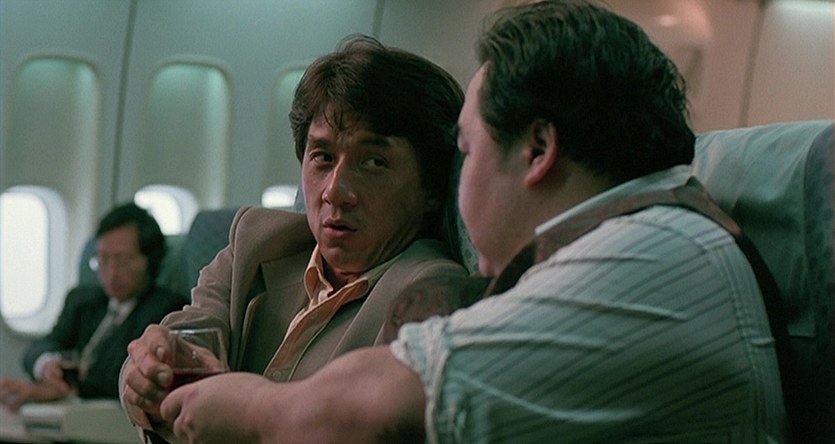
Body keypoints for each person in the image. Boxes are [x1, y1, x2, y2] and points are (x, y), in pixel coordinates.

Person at [131, 1, 788, 442]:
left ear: (537, 150)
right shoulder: (635, 242)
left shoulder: (654, 254)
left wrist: (240, 407)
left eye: (467, 152)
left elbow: (377, 406)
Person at [119, 35, 468, 439]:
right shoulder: (256, 245)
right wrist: (147, 372)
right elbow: (185, 336)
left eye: (374, 162)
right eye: (323, 157)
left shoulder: (431, 296)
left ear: (431, 188)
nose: (335, 191)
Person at [0, 203, 187, 412]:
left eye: (123, 260)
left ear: (151, 261)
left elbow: (126, 376)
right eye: (103, 260)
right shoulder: (81, 300)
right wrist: (47, 366)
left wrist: (69, 389)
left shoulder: (167, 309)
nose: (111, 273)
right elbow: (40, 347)